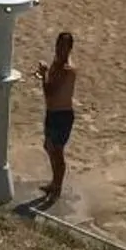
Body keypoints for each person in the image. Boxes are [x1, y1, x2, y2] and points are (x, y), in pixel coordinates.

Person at [38, 31, 76, 204]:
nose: (60, 50)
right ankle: (54, 182)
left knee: (57, 152)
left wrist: (44, 74)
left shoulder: (67, 69)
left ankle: (57, 186)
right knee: (48, 146)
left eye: (63, 47)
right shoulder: (57, 62)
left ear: (69, 48)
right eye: (58, 45)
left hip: (62, 115)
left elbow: (50, 90)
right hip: (52, 112)